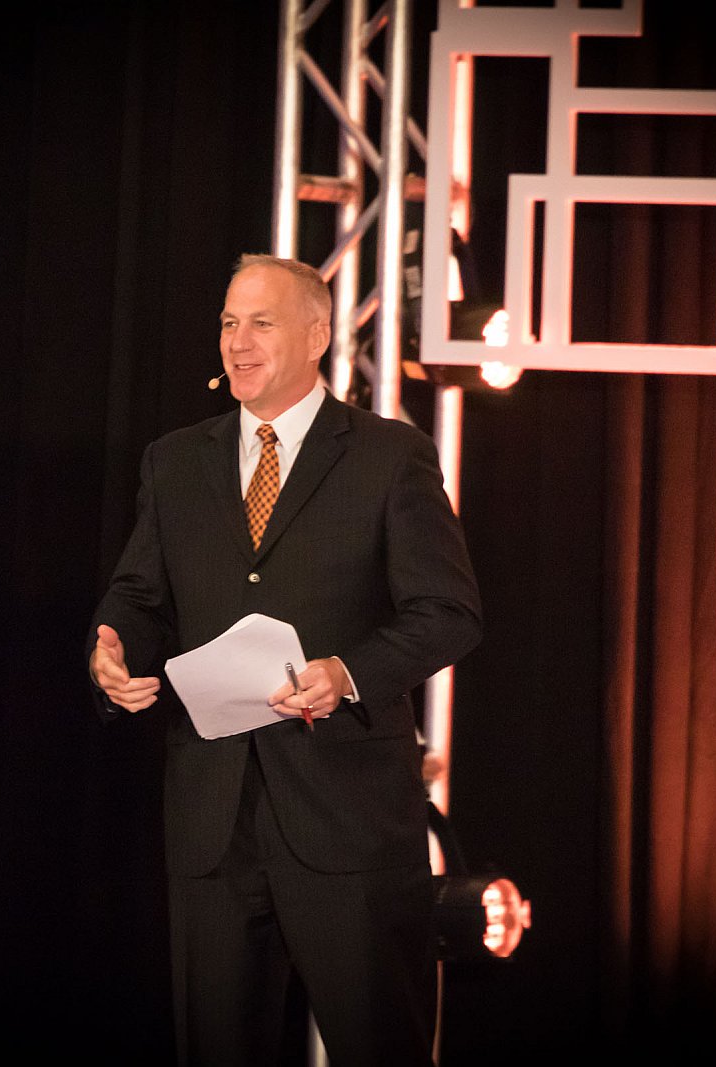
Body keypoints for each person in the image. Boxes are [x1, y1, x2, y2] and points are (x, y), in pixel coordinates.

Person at [89, 254, 481, 1066]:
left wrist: (347, 674)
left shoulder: (389, 455)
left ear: (317, 334)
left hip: (349, 824)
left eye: (260, 323)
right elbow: (138, 595)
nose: (238, 342)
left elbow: (449, 614)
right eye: (228, 323)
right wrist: (112, 647)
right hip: (213, 823)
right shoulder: (175, 460)